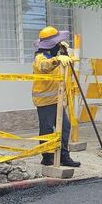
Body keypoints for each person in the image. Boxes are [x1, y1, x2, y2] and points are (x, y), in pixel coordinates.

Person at [32, 26, 80, 168]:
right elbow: (45, 66)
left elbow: (68, 62)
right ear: (50, 45)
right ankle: (47, 157)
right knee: (47, 129)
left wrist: (65, 53)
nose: (59, 45)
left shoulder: (56, 56)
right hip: (45, 101)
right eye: (57, 43)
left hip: (57, 100)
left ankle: (64, 156)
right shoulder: (40, 58)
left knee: (65, 127)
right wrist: (57, 59)